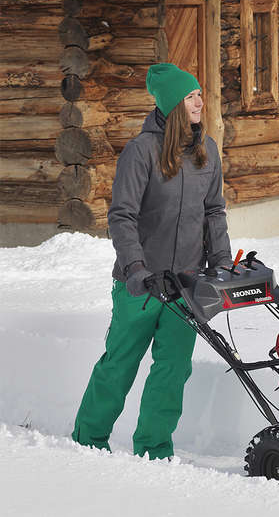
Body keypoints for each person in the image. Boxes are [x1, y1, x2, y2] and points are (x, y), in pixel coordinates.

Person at [71, 63, 231, 460]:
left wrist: (222, 263)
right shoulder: (141, 151)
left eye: (199, 94)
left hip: (185, 284)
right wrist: (137, 270)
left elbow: (214, 212)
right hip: (140, 286)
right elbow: (121, 216)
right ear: (173, 104)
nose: (200, 102)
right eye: (191, 96)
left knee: (172, 369)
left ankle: (154, 450)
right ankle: (88, 442)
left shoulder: (207, 150)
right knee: (119, 364)